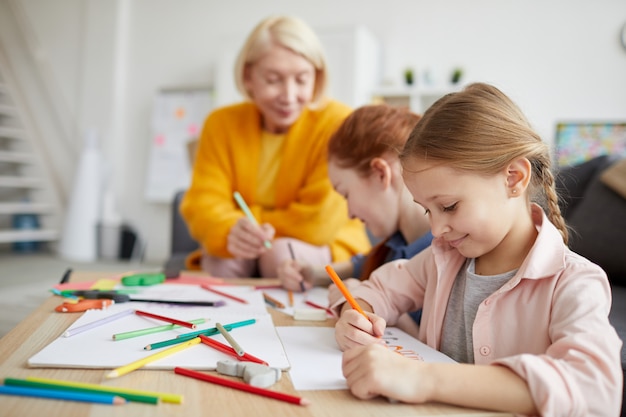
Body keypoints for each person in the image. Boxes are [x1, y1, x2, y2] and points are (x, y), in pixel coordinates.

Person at [332, 83, 622, 416]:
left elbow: (595, 389)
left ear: (513, 178)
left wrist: (423, 378)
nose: (436, 229)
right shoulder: (442, 258)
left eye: (450, 206)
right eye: (428, 210)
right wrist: (354, 314)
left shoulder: (574, 283)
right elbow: (378, 289)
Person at [180, 15, 370, 277]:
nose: (289, 96)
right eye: (273, 80)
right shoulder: (220, 123)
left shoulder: (337, 123)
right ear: (248, 77)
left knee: (280, 254)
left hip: (325, 244)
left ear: (316, 77)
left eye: (301, 80)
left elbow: (318, 222)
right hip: (253, 248)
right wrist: (230, 231)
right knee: (223, 259)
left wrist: (249, 224)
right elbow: (203, 202)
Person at [278, 105, 432, 332]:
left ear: (380, 173)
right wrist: (312, 273)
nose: (349, 212)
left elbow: (436, 347)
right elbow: (360, 266)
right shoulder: (396, 245)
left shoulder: (447, 249)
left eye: (346, 194)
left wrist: (368, 300)